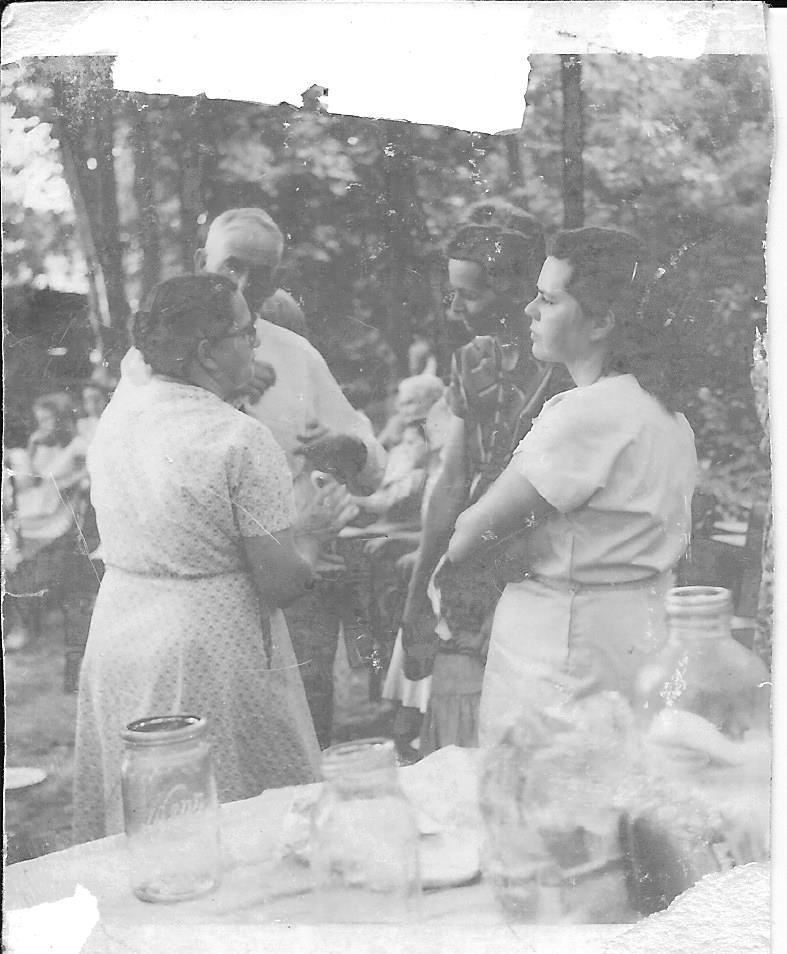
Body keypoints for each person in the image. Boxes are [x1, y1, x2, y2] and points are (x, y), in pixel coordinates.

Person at [72, 275, 347, 842]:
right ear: (206, 352)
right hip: (204, 651)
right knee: (227, 825)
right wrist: (315, 531)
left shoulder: (121, 414)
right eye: (245, 333)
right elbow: (280, 584)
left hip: (120, 634)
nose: (255, 344)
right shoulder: (239, 439)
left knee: (147, 821)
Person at [445, 227, 698, 746]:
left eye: (549, 299)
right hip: (635, 639)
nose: (529, 311)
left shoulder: (585, 414)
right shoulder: (666, 415)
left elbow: (467, 538)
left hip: (562, 652)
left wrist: (509, 551)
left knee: (547, 798)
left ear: (602, 321)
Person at [194, 208, 387, 748]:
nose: (245, 286)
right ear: (200, 263)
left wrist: (347, 449)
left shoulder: (294, 353)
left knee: (301, 737)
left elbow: (368, 458)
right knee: (221, 744)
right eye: (232, 267)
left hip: (297, 579)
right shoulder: (153, 363)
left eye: (265, 274)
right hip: (209, 587)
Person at [390, 210, 569, 757]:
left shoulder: (565, 369)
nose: (454, 309)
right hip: (473, 546)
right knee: (458, 715)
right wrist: (420, 589)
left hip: (539, 555)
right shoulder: (473, 359)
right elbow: (452, 478)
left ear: (516, 289)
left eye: (466, 295)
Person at [4, 395, 89, 649]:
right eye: (39, 420)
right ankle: (18, 623)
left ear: (62, 419)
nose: (42, 425)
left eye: (47, 419)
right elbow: (31, 479)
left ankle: (23, 627)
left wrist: (69, 483)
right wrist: (31, 445)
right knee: (9, 542)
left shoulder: (78, 446)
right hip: (36, 508)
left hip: (59, 513)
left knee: (17, 551)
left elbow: (80, 474)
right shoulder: (42, 443)